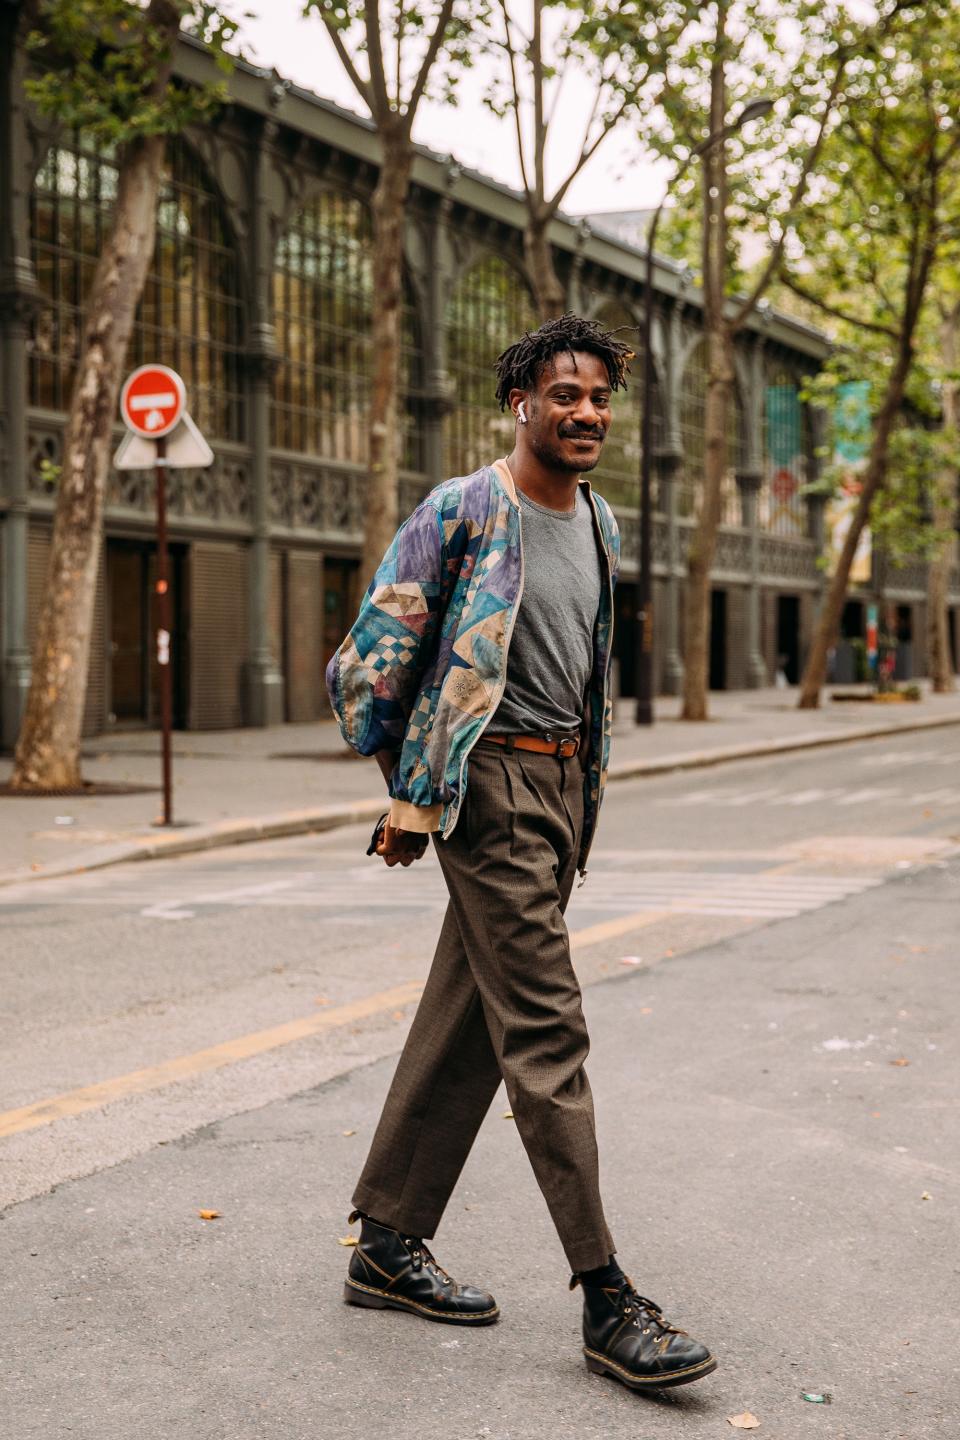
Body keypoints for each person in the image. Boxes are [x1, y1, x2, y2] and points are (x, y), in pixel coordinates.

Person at [326, 312, 716, 1392]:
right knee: (546, 1025)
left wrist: (577, 797)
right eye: (565, 395)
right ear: (522, 404)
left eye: (600, 397)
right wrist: (414, 792)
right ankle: (606, 1298)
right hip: (487, 784)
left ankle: (386, 1244)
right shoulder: (465, 509)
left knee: (471, 1012)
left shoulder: (602, 524)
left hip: (560, 789)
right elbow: (366, 666)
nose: (586, 412)